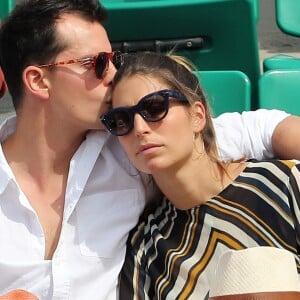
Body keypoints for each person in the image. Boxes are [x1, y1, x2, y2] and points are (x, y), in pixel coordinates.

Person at [0, 0, 299, 299]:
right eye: (98, 64)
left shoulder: (129, 148)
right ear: (38, 81)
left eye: (114, 59)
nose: (114, 74)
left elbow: (260, 129)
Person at [100, 52, 300, 299]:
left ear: (198, 116)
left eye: (154, 107)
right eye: (121, 120)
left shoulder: (283, 184)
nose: (139, 128)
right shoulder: (146, 247)